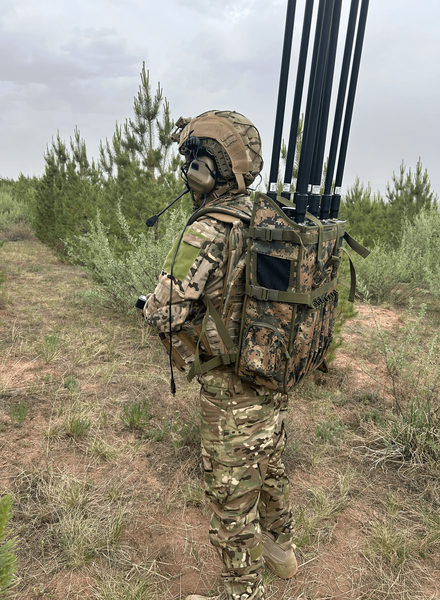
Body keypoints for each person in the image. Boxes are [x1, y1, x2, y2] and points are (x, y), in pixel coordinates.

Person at [143, 110, 297, 600]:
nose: (187, 171)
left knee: (231, 500)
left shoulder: (205, 229)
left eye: (192, 161)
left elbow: (163, 314)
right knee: (269, 466)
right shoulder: (269, 217)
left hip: (229, 391)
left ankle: (241, 593)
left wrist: (151, 307)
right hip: (271, 374)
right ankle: (283, 551)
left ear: (207, 171)